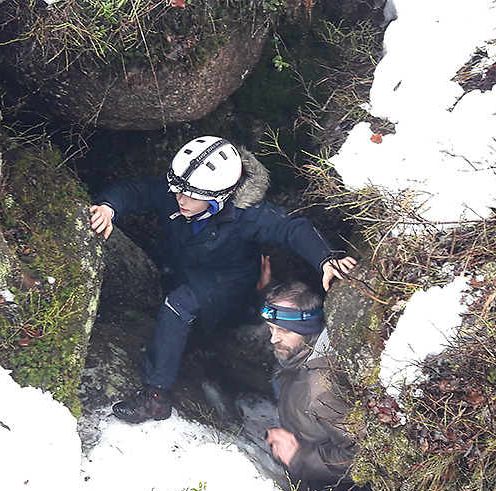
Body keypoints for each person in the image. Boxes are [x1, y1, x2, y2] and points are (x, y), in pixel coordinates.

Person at [89, 136, 356, 424]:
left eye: (191, 196)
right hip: (184, 268)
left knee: (178, 306)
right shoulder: (179, 192)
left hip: (228, 281)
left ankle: (156, 396)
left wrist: (326, 258)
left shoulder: (246, 214)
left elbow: (293, 229)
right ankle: (189, 338)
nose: (181, 199)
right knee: (177, 303)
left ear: (219, 196)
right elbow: (136, 191)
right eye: (178, 191)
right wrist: (109, 206)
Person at [262, 281, 371, 491]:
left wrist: (298, 458)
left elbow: (364, 456)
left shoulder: (320, 389)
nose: (274, 338)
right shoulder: (300, 356)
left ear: (307, 327)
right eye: (271, 328)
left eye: (283, 330)